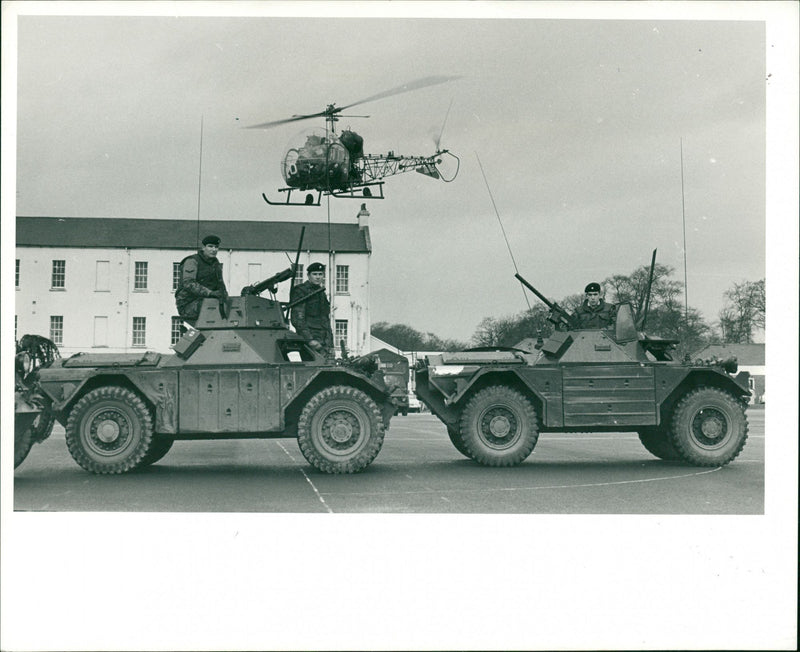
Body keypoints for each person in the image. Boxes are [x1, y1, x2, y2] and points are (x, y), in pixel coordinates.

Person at [175, 234, 228, 327]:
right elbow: (188, 283)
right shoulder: (192, 261)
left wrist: (225, 297)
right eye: (210, 246)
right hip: (188, 304)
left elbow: (220, 284)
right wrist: (210, 293)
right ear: (203, 247)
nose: (214, 250)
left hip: (206, 301)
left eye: (216, 247)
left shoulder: (215, 264)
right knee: (213, 308)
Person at [290, 262, 333, 354]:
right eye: (314, 274)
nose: (318, 277)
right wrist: (309, 339)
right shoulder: (301, 291)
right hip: (310, 339)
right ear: (308, 275)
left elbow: (326, 319)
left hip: (324, 341)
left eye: (320, 274)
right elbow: (298, 319)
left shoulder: (321, 292)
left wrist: (331, 343)